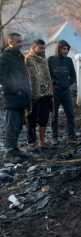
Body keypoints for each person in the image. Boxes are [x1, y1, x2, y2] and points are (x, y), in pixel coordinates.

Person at [0, 33, 32, 162]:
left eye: (21, 41)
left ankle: (14, 149)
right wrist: (15, 90)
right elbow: (2, 77)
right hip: (12, 97)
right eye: (18, 42)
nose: (21, 44)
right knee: (11, 125)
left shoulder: (19, 56)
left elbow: (23, 76)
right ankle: (8, 153)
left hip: (22, 96)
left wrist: (26, 91)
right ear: (10, 42)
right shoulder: (4, 57)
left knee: (18, 124)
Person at [48, 40, 78, 146]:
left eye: (67, 49)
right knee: (54, 115)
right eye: (64, 49)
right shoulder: (51, 60)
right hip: (54, 92)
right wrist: (54, 83)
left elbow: (73, 76)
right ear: (58, 49)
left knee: (70, 114)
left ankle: (72, 137)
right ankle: (54, 138)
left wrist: (67, 83)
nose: (66, 51)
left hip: (66, 92)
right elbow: (48, 75)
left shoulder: (69, 60)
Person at [25, 39, 53, 150]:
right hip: (33, 95)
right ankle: (31, 143)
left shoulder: (44, 60)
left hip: (45, 94)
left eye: (44, 48)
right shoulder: (27, 59)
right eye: (40, 48)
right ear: (34, 47)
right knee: (31, 120)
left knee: (43, 119)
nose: (42, 50)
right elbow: (26, 77)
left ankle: (42, 142)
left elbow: (47, 77)